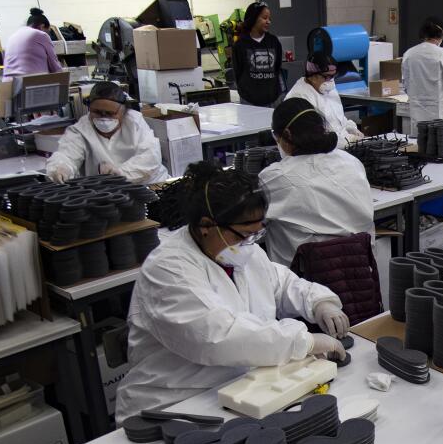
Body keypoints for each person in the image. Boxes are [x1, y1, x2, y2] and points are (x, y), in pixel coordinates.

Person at [116, 161, 349, 420]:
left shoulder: (237, 251)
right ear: (206, 226)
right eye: (244, 235)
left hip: (240, 390)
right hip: (173, 404)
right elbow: (219, 336)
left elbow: (279, 283)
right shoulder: (168, 270)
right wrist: (304, 342)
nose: (250, 244)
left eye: (256, 235)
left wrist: (318, 302)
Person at [258, 97, 373, 266]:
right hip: (360, 274)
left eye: (277, 139)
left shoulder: (275, 177)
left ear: (287, 135)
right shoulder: (350, 161)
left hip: (304, 280)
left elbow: (251, 223)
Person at [45, 82, 169, 185]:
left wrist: (120, 173)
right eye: (97, 112)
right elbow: (66, 155)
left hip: (150, 185)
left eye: (110, 113)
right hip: (107, 194)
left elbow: (150, 157)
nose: (103, 118)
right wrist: (60, 168)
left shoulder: (134, 122)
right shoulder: (81, 130)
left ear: (123, 111)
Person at [284, 52, 363, 148]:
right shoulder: (299, 98)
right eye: (327, 77)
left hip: (340, 145)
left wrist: (349, 127)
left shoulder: (326, 86)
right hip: (320, 153)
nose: (331, 81)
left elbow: (338, 118)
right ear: (312, 76)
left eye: (333, 76)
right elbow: (313, 138)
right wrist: (347, 140)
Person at [401, 18, 443, 124]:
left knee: (420, 139)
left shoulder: (409, 53)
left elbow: (406, 83)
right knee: (441, 138)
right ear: (442, 36)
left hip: (417, 112)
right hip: (440, 111)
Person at [231, 2, 285, 107]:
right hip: (249, 102)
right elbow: (238, 71)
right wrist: (245, 92)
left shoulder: (273, 41)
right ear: (253, 19)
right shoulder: (241, 44)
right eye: (264, 18)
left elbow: (277, 67)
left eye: (269, 19)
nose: (268, 21)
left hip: (273, 101)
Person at [2, 8, 62, 77]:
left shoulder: (13, 36)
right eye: (47, 31)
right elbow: (55, 67)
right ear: (42, 27)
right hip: (28, 82)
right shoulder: (41, 34)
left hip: (7, 84)